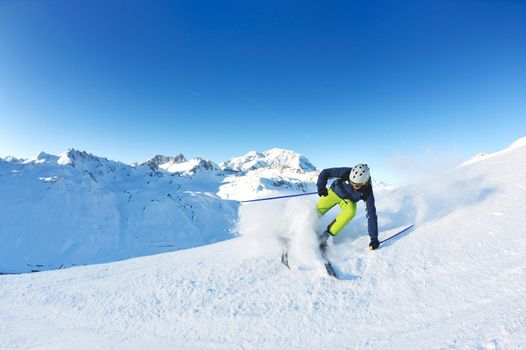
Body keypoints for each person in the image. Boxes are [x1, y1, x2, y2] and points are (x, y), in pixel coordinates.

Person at [316, 164, 379, 252]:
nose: (352, 186)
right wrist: (321, 187)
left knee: (350, 212)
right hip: (334, 192)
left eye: (356, 186)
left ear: (364, 182)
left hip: (348, 201)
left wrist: (374, 238)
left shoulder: (367, 191)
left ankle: (326, 236)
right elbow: (325, 172)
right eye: (350, 182)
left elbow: (371, 214)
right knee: (317, 211)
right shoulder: (347, 172)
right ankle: (306, 223)